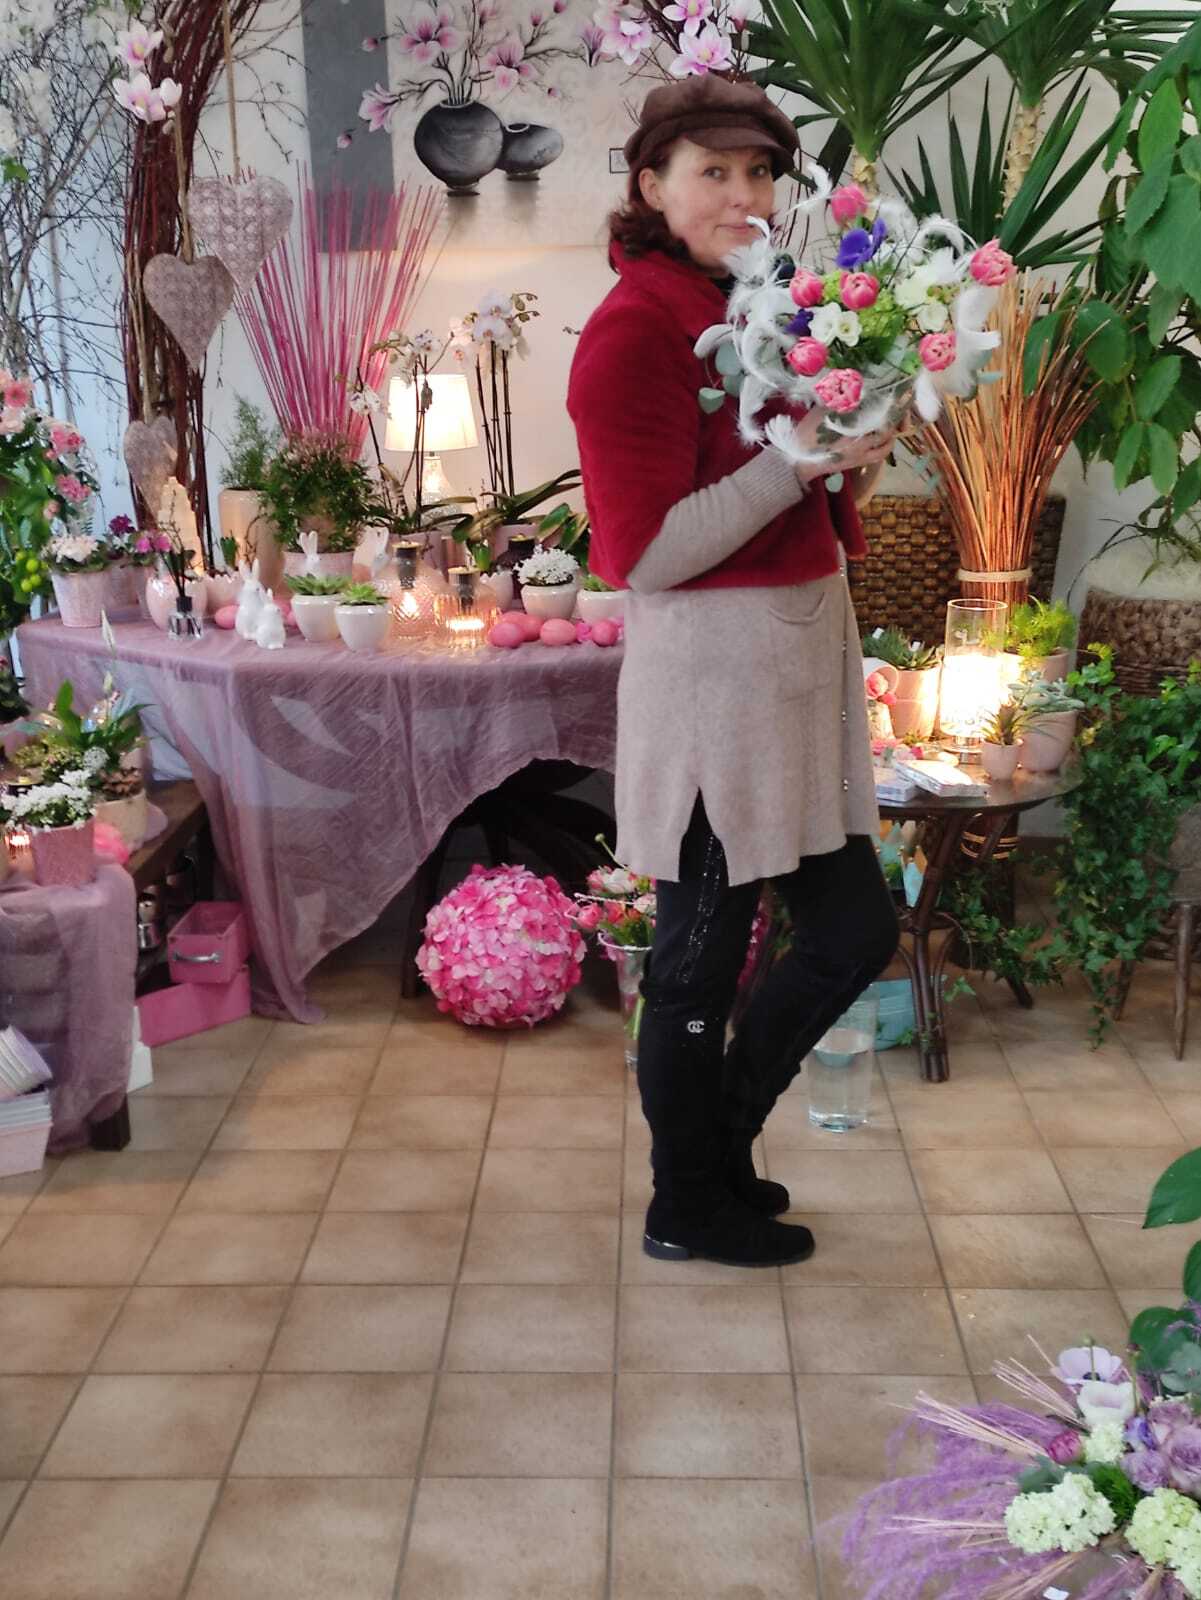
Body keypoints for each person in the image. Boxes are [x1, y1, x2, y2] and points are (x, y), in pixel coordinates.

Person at [566, 76, 901, 1270]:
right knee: (698, 963)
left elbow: (789, 493)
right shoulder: (635, 330)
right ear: (651, 185)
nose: (744, 194)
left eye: (759, 170)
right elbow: (645, 554)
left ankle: (716, 1151)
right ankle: (684, 1201)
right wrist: (796, 461)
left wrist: (850, 451)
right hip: (716, 690)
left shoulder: (756, 305)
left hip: (792, 678)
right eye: (712, 171)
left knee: (850, 930)